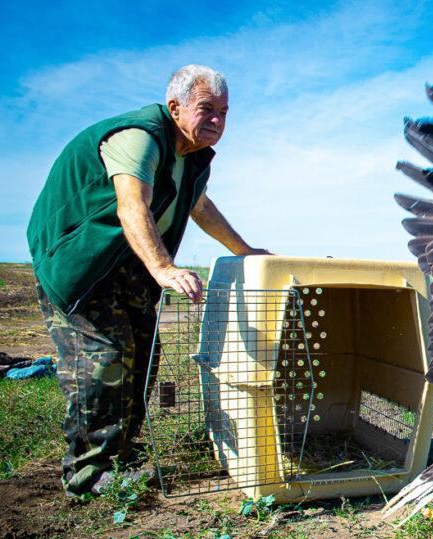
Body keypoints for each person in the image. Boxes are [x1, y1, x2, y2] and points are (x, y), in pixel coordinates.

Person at [26, 64, 269, 498]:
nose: (217, 120)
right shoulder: (140, 137)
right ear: (174, 107)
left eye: (225, 112)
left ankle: (119, 452)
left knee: (143, 355)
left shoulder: (191, 159)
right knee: (105, 360)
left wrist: (244, 251)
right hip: (82, 264)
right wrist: (164, 268)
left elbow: (199, 207)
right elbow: (131, 206)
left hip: (128, 270)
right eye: (206, 109)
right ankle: (87, 473)